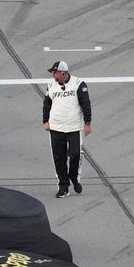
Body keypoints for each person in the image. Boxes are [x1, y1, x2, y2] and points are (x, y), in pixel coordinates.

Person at [42, 61, 91, 198]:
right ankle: (63, 186)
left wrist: (87, 123)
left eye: (54, 72)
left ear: (62, 73)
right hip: (56, 127)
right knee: (59, 158)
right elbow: (47, 104)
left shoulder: (78, 84)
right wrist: (45, 121)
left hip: (73, 127)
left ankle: (73, 177)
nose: (53, 74)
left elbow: (86, 104)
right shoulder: (51, 85)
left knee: (75, 154)